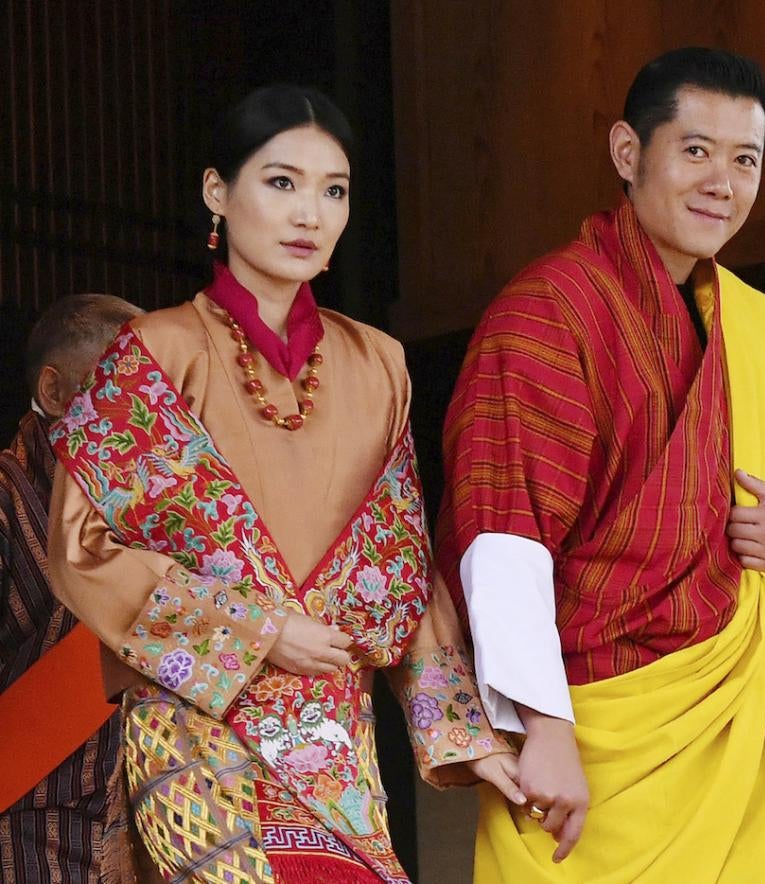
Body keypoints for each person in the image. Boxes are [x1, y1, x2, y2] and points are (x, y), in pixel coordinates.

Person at [47, 85, 521, 884]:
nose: (311, 213)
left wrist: (466, 733)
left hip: (336, 742)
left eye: (333, 191)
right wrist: (260, 630)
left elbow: (405, 575)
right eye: (281, 182)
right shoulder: (153, 352)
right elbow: (81, 548)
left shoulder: (380, 364)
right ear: (216, 194)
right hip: (195, 734)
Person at [437, 47, 765, 882]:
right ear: (629, 154)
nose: (721, 183)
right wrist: (544, 730)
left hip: (742, 728)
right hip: (595, 738)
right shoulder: (547, 314)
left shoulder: (755, 326)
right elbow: (504, 535)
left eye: (745, 160)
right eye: (695, 151)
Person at [0, 294, 142, 882]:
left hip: (140, 819)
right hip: (24, 829)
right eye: (118, 397)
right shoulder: (8, 501)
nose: (142, 422)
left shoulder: (156, 514)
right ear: (55, 392)